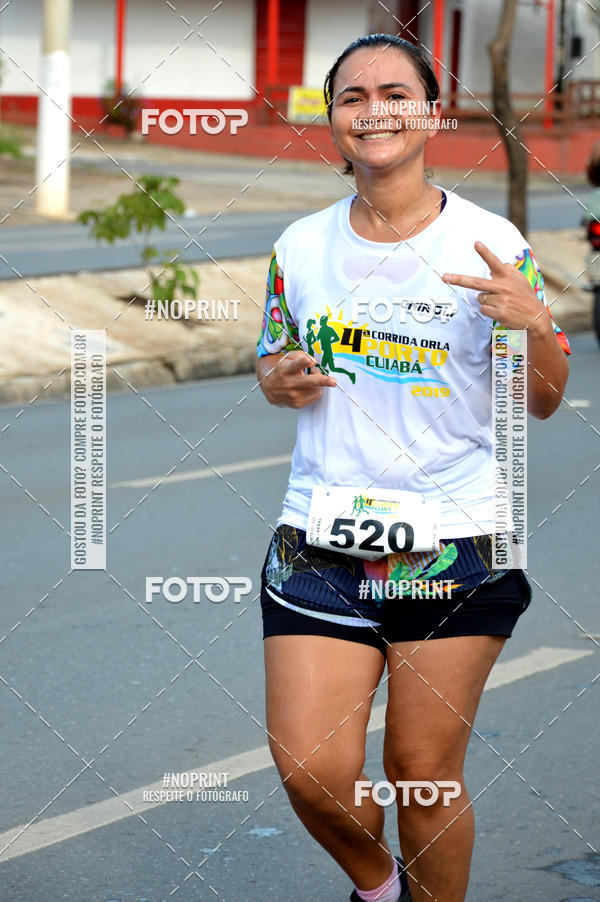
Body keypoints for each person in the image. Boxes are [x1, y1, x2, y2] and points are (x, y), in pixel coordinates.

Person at [255, 34, 570, 902]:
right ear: (335, 121)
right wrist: (277, 380)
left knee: (421, 770)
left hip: (455, 545)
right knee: (310, 773)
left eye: (396, 92)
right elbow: (276, 364)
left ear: (430, 112)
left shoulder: (487, 241)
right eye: (352, 97)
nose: (374, 109)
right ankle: (378, 885)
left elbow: (542, 399)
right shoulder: (298, 246)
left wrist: (532, 324)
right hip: (319, 540)